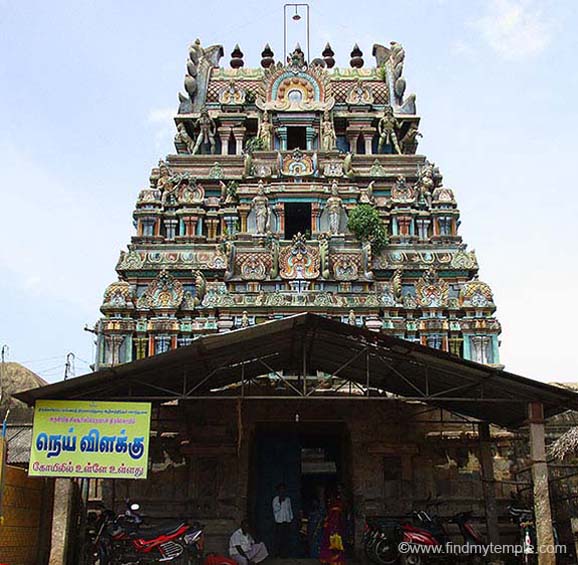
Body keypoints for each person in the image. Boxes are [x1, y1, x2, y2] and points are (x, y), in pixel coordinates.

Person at [318, 490, 346, 565]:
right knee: (329, 544)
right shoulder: (332, 505)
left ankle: (334, 560)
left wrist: (334, 528)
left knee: (334, 545)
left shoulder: (336, 505)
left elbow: (336, 518)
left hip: (334, 528)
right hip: (330, 528)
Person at [272, 483, 294, 558]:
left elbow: (290, 510)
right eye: (281, 489)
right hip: (279, 522)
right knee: (279, 539)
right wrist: (280, 501)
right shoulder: (276, 499)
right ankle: (277, 554)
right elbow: (275, 510)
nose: (282, 491)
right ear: (278, 491)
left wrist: (290, 519)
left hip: (286, 522)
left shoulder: (288, 499)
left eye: (283, 489)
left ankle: (285, 554)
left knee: (286, 539)